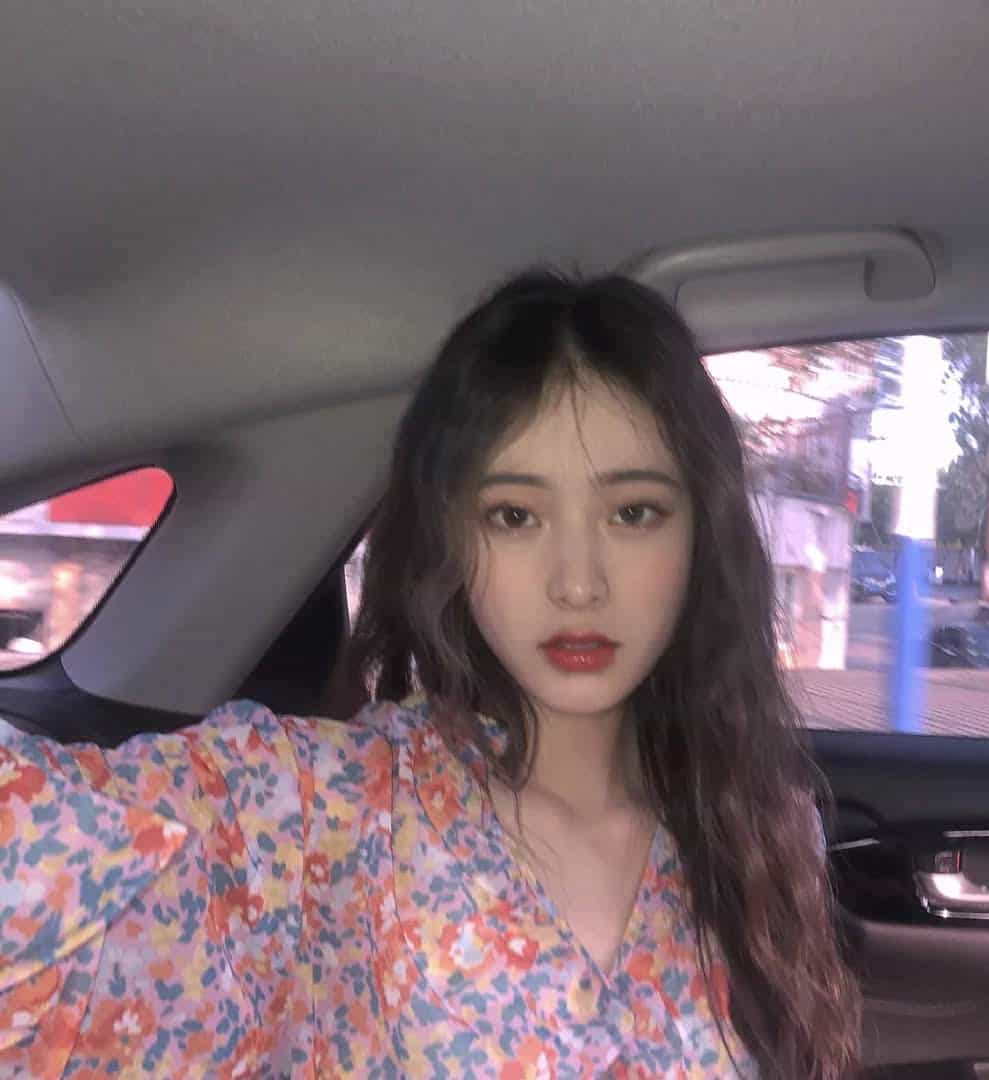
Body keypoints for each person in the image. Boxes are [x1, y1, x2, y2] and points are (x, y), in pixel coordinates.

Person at [0, 271, 860, 1079]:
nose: (578, 582)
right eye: (514, 515)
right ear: (451, 538)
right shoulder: (325, 811)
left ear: (701, 536)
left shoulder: (762, 827)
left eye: (634, 512)